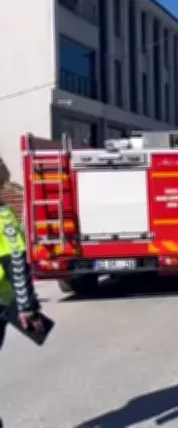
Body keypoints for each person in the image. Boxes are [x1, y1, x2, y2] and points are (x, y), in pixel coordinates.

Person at [0, 157, 44, 428]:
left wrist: (27, 305)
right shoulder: (3, 216)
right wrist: (27, 306)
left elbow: (15, 262)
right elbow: (16, 261)